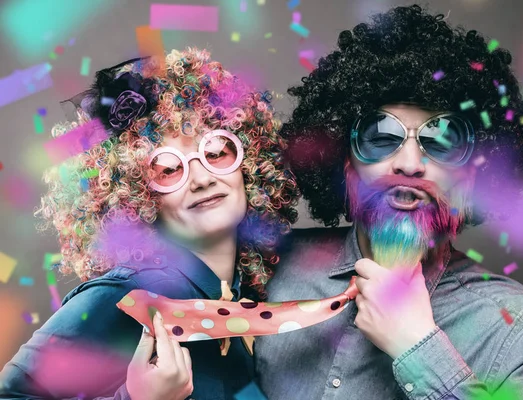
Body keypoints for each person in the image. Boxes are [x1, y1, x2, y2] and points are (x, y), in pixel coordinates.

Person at [255, 5, 523, 399]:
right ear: (345, 160)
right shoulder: (268, 267)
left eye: (442, 140)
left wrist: (417, 346)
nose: (409, 164)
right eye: (380, 136)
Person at [0, 47, 299, 399]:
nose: (201, 179)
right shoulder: (126, 295)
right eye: (169, 169)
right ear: (137, 196)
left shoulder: (250, 293)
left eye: (216, 152)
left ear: (248, 160)